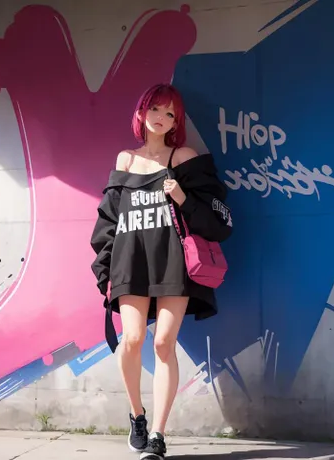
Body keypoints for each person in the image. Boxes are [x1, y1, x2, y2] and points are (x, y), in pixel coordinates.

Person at [90, 83, 233, 459]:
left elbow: (216, 215)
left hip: (173, 261)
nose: (161, 118)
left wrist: (181, 196)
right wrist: (105, 271)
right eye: (155, 109)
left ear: (176, 122)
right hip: (131, 261)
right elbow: (108, 221)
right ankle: (137, 414)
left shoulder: (183, 156)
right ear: (141, 113)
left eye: (170, 113)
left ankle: (157, 435)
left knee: (162, 343)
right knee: (131, 341)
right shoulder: (125, 160)